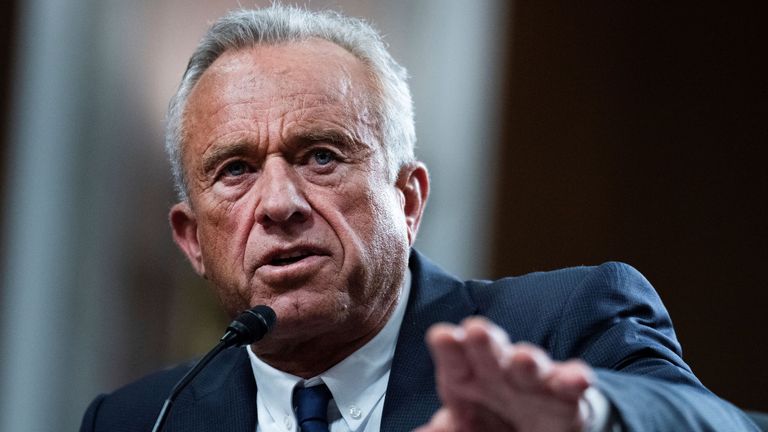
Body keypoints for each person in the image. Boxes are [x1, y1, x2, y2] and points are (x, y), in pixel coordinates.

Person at [80, 5, 759, 432]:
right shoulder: (141, 419)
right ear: (193, 240)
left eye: (320, 156)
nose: (281, 204)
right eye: (236, 170)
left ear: (407, 201)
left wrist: (587, 415)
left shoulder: (560, 329)